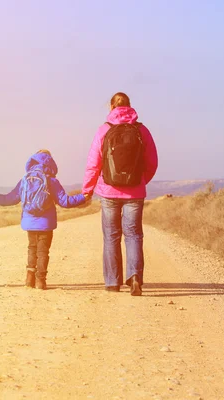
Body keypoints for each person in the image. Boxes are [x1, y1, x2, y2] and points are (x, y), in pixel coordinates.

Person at [82, 92, 158, 296]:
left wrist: (87, 190)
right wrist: (140, 181)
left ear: (111, 107)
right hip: (135, 192)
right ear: (130, 107)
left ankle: (112, 282)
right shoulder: (142, 130)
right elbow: (152, 162)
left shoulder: (103, 130)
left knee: (111, 236)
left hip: (108, 192)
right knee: (133, 235)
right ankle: (135, 278)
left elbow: (93, 164)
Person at [0, 150, 88, 290]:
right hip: (46, 224)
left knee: (32, 249)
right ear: (50, 162)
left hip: (29, 223)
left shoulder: (25, 180)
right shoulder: (52, 181)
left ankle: (29, 279)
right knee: (43, 252)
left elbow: (10, 198)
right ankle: (40, 281)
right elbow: (65, 202)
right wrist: (83, 197)